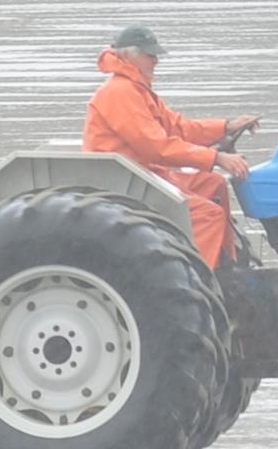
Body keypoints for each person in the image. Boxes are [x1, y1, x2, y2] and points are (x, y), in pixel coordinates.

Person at [83, 22, 256, 268]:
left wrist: (226, 126)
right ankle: (200, 283)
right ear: (129, 56)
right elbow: (156, 148)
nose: (156, 61)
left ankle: (228, 264)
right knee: (207, 215)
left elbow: (179, 129)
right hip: (127, 180)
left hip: (146, 173)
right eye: (150, 55)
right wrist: (216, 159)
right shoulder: (119, 93)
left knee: (214, 183)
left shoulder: (138, 90)